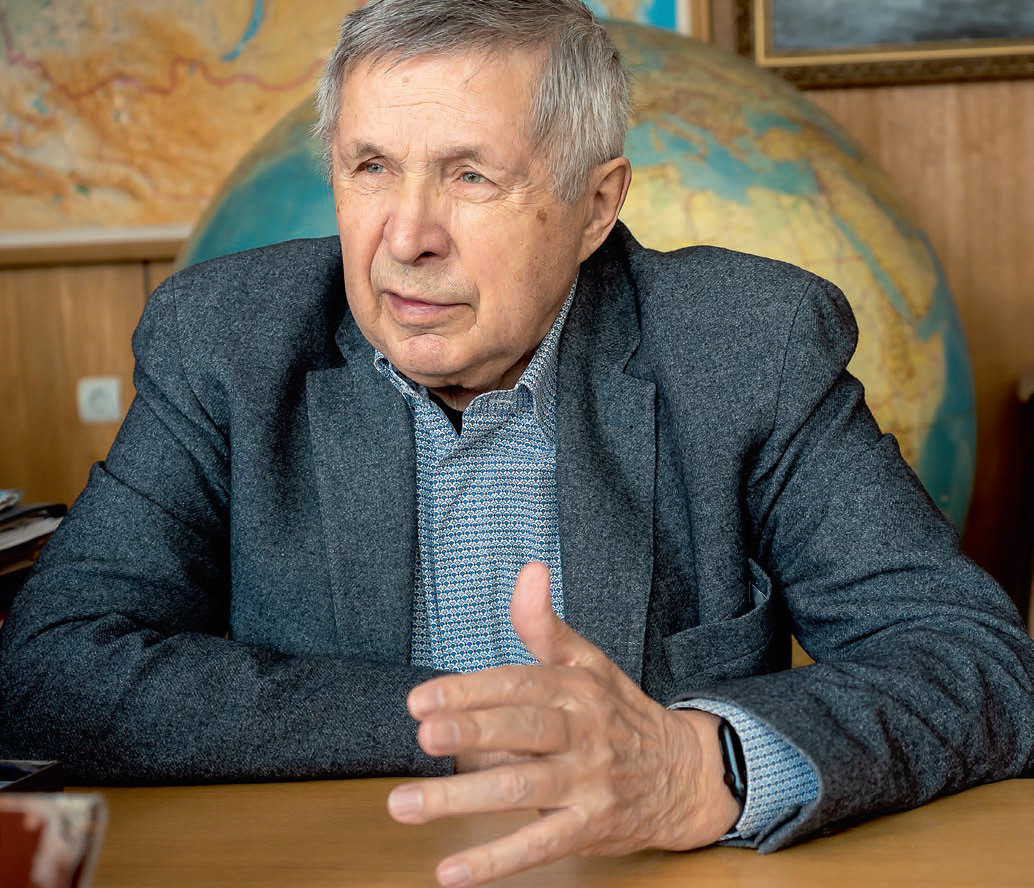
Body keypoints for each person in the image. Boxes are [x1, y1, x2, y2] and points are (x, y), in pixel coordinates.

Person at [1, 1, 1032, 885]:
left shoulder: (746, 345)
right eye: (371, 166)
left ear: (595, 205)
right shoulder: (226, 341)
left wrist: (698, 762)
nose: (407, 236)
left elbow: (974, 662)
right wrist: (467, 729)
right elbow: (49, 671)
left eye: (469, 176)